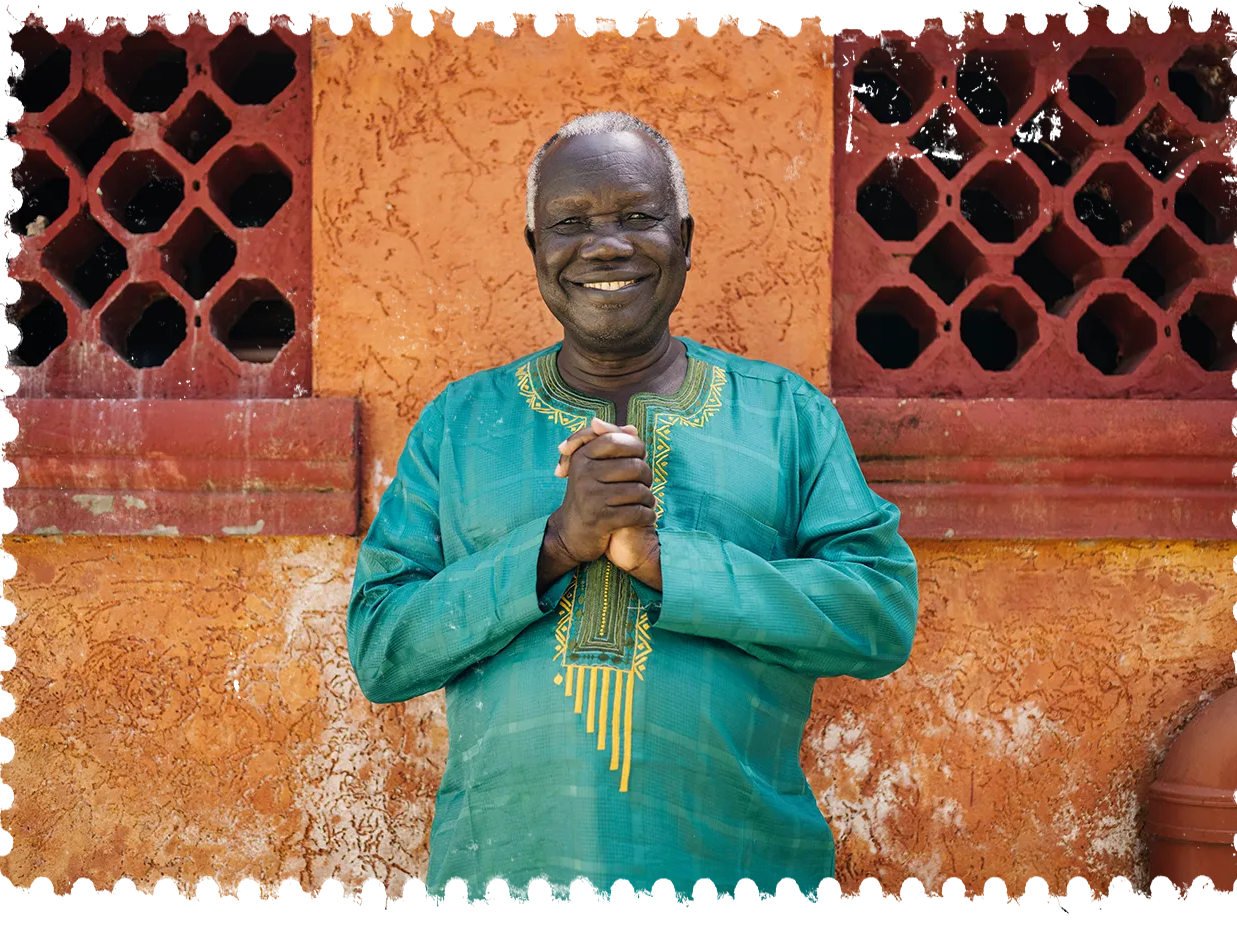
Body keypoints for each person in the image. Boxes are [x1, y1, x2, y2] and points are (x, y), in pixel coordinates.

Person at [347, 111, 919, 910]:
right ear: (535, 251)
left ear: (684, 237)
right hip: (508, 885)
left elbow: (878, 614)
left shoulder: (786, 413)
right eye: (570, 223)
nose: (605, 244)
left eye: (637, 217)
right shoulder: (459, 423)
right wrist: (551, 546)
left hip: (737, 885)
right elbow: (379, 644)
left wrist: (668, 563)